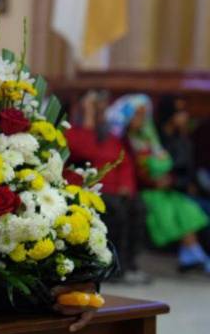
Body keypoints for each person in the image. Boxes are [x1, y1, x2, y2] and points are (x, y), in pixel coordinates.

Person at [106, 94, 210, 273]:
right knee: (167, 208)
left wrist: (168, 180)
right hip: (143, 189)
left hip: (163, 188)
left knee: (184, 207)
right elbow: (131, 168)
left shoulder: (148, 137)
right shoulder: (122, 138)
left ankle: (192, 254)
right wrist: (154, 182)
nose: (141, 119)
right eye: (137, 114)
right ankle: (193, 254)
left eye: (144, 114)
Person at [66, 91, 150, 284]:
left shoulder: (111, 137)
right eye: (95, 108)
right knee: (115, 210)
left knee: (138, 207)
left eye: (101, 109)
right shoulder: (72, 132)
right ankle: (111, 266)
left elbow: (125, 163)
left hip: (115, 190)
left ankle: (129, 264)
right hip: (88, 190)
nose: (100, 113)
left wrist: (127, 186)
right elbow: (83, 150)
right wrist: (87, 118)